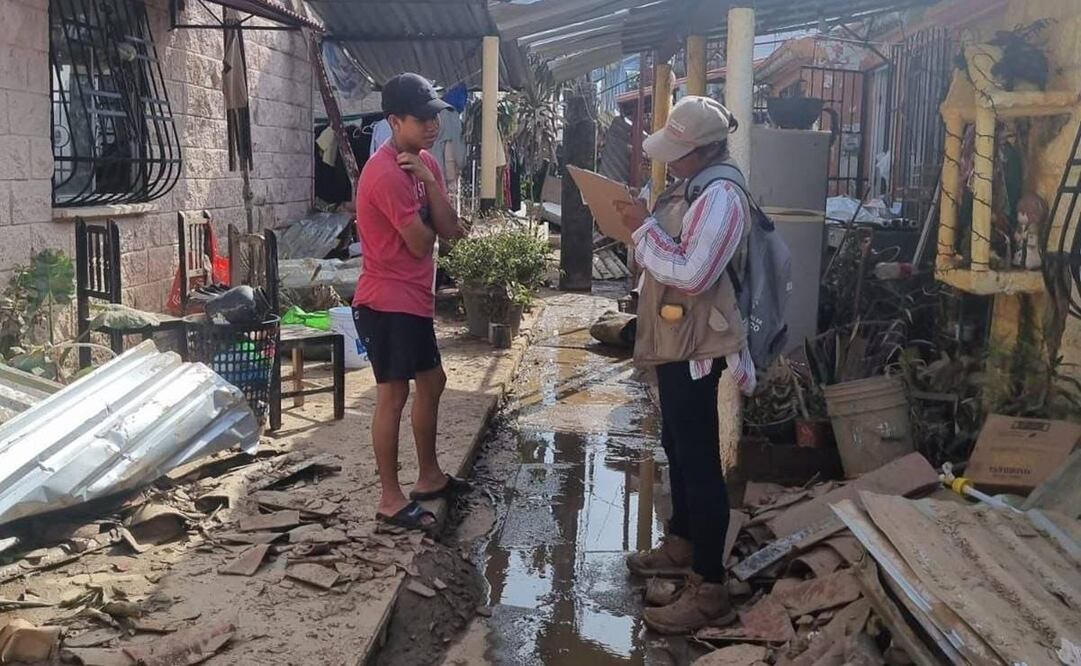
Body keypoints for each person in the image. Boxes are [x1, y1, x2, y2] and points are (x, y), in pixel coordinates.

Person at [616, 96, 757, 635]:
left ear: (701, 150)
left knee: (699, 461)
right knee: (676, 443)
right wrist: (641, 222)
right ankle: (681, 542)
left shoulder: (722, 195)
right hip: (677, 339)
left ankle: (709, 585)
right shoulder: (694, 186)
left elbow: (694, 274)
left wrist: (641, 230)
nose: (669, 161)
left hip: (699, 346)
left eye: (677, 153)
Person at [352, 73, 469, 532]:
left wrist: (431, 182)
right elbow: (423, 243)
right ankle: (389, 498)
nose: (432, 126)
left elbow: (451, 227)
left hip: (414, 299)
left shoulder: (424, 167)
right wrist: (428, 196)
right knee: (393, 395)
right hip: (386, 302)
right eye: (421, 119)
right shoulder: (383, 173)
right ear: (394, 121)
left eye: (434, 117)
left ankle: (428, 475)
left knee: (434, 381)